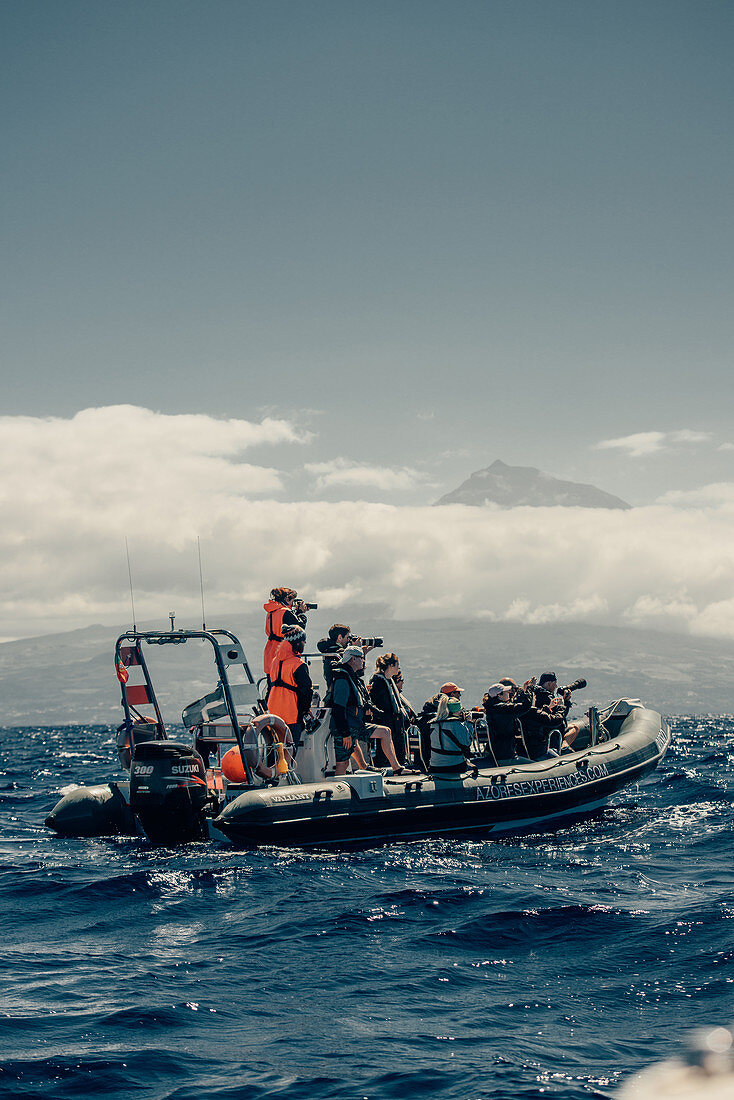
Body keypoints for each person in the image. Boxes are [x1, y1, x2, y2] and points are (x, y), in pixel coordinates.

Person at [330, 646, 408, 777]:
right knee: (342, 763)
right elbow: (338, 708)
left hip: (356, 725)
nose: (363, 661)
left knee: (385, 732)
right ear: (353, 659)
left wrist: (369, 709)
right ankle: (338, 790)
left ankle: (396, 768)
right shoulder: (342, 679)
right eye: (361, 657)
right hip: (346, 728)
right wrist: (345, 733)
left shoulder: (353, 677)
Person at [266, 626, 313, 753]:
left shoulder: (275, 661)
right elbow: (306, 691)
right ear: (297, 643)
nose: (305, 643)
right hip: (291, 714)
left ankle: (272, 773)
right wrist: (306, 710)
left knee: (274, 751)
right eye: (303, 641)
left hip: (273, 712)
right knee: (289, 752)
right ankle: (287, 773)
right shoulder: (298, 664)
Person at [368, 653, 408, 766]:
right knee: (385, 748)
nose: (398, 667)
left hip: (393, 721)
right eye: (397, 665)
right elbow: (376, 701)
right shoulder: (378, 681)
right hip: (385, 720)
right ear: (390, 665)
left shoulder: (388, 680)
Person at [317, 624, 378, 697]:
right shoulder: (339, 654)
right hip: (344, 694)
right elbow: (357, 671)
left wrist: (361, 653)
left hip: (334, 693)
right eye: (347, 637)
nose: (349, 640)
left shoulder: (329, 651)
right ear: (340, 637)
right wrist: (357, 650)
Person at [482, 680, 533, 764]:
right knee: (533, 765)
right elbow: (525, 706)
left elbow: (514, 706)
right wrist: (527, 690)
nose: (509, 692)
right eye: (506, 692)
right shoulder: (502, 709)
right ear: (499, 695)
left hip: (497, 752)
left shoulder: (493, 708)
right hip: (504, 756)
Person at [418, 681, 464, 771]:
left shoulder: (428, 713)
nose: (460, 696)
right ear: (452, 694)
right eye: (458, 693)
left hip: (431, 761)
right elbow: (465, 742)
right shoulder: (446, 719)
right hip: (450, 763)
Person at [428, 693, 474, 781]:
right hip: (454, 765)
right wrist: (469, 723)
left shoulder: (433, 724)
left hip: (434, 766)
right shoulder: (456, 724)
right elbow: (467, 742)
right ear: (456, 710)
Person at [534, 672, 581, 752]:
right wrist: (566, 702)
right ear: (549, 683)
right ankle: (564, 746)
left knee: (572, 726)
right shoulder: (548, 697)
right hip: (550, 730)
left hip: (539, 730)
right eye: (555, 684)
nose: (556, 686)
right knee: (575, 728)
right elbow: (560, 718)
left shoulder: (535, 693)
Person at [263, 588, 300, 678]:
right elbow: (299, 630)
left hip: (270, 650)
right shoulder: (285, 612)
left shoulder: (271, 612)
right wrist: (300, 613)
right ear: (287, 599)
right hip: (283, 651)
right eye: (292, 600)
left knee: (272, 685)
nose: (293, 603)